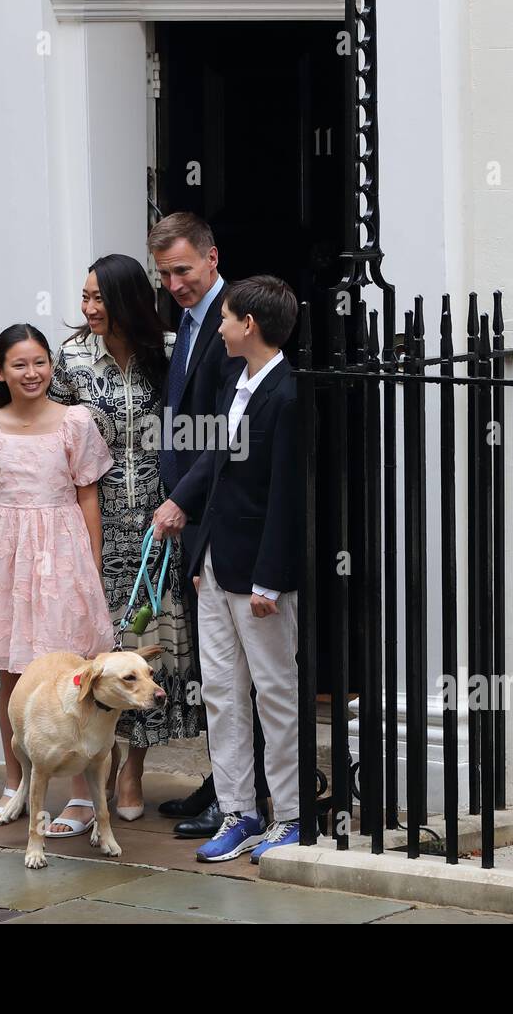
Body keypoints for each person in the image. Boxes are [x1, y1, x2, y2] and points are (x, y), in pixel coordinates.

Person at [0, 255, 200, 834]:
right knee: (77, 656)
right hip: (85, 526)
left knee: (139, 651)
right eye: (84, 297)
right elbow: (30, 408)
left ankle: (129, 773)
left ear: (125, 301)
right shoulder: (68, 358)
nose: (89, 308)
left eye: (98, 298)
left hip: (157, 521)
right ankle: (62, 778)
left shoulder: (167, 352)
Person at [0, 323, 117, 832]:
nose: (32, 372)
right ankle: (15, 786)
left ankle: (82, 795)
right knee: (12, 676)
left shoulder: (74, 422)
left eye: (40, 362)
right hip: (5, 556)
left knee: (75, 674)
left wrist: (90, 563)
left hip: (62, 553)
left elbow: (88, 495)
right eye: (19, 364)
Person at [153, 275, 302, 864]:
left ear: (251, 327)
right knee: (221, 690)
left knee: (275, 693)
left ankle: (289, 815)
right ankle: (239, 809)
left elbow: (288, 496)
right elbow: (216, 466)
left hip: (260, 575)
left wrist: (271, 578)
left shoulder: (288, 394)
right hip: (214, 564)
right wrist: (196, 542)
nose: (218, 327)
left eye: (227, 319)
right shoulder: (235, 382)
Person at [147, 212, 270, 839]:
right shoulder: (188, 320)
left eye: (184, 271)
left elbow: (224, 433)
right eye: (164, 273)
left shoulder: (235, 322)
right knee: (213, 670)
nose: (173, 284)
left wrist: (183, 499)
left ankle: (247, 795)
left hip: (217, 513)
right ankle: (225, 783)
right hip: (193, 514)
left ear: (213, 258)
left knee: (240, 670)